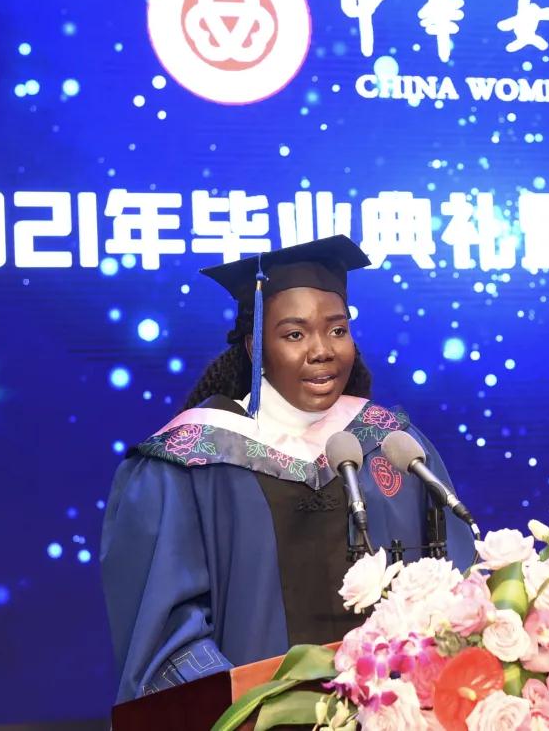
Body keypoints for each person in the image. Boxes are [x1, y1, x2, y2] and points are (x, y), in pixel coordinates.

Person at [100, 236, 474, 704]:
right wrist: (261, 708)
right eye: (295, 334)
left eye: (337, 330)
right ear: (255, 347)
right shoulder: (190, 462)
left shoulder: (391, 444)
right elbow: (168, 635)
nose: (322, 350)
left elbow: (454, 580)